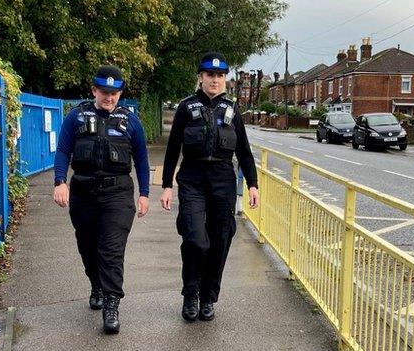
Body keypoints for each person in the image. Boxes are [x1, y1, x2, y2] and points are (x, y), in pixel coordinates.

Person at [160, 52, 259, 322]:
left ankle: (207, 298)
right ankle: (190, 294)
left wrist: (252, 184)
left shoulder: (232, 110)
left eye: (219, 75)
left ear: (225, 79)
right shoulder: (186, 107)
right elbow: (172, 150)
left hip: (223, 179)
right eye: (209, 75)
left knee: (220, 240)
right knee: (194, 239)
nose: (215, 80)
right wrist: (167, 185)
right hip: (192, 177)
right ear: (200, 77)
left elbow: (245, 151)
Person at [53, 65, 150, 334]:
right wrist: (60, 181)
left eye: (115, 93)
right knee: (88, 246)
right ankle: (96, 284)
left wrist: (144, 194)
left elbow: (141, 159)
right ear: (94, 90)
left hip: (118, 194)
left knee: (111, 250)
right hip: (83, 192)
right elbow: (63, 151)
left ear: (120, 93)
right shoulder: (76, 117)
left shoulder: (130, 122)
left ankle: (111, 303)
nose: (109, 98)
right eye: (105, 92)